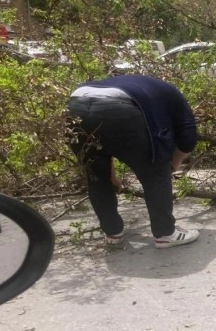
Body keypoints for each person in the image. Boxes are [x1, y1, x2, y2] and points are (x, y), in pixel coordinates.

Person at [66, 75, 200, 249]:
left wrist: (110, 174)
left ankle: (112, 232)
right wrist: (173, 163)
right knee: (156, 172)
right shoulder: (172, 94)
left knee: (96, 175)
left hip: (75, 107)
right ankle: (165, 233)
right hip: (118, 109)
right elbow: (188, 136)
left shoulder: (144, 87)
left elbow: (103, 139)